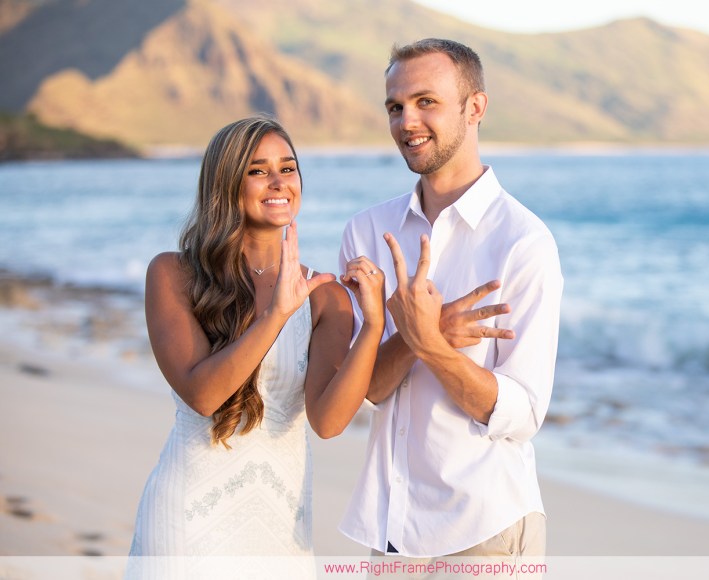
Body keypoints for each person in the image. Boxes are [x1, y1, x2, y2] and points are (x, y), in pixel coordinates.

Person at [338, 38, 563, 574]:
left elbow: (522, 415)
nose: (406, 121)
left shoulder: (523, 243)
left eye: (426, 101)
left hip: (484, 528)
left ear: (475, 107)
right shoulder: (367, 231)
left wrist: (429, 345)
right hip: (392, 528)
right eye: (395, 106)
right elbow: (365, 387)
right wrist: (426, 332)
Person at [126, 115, 385, 578]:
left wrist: (373, 325)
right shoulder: (172, 274)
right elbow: (203, 395)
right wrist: (276, 315)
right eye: (257, 170)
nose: (278, 182)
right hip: (188, 520)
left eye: (288, 168)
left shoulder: (325, 296)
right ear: (226, 184)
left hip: (282, 527)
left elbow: (328, 422)